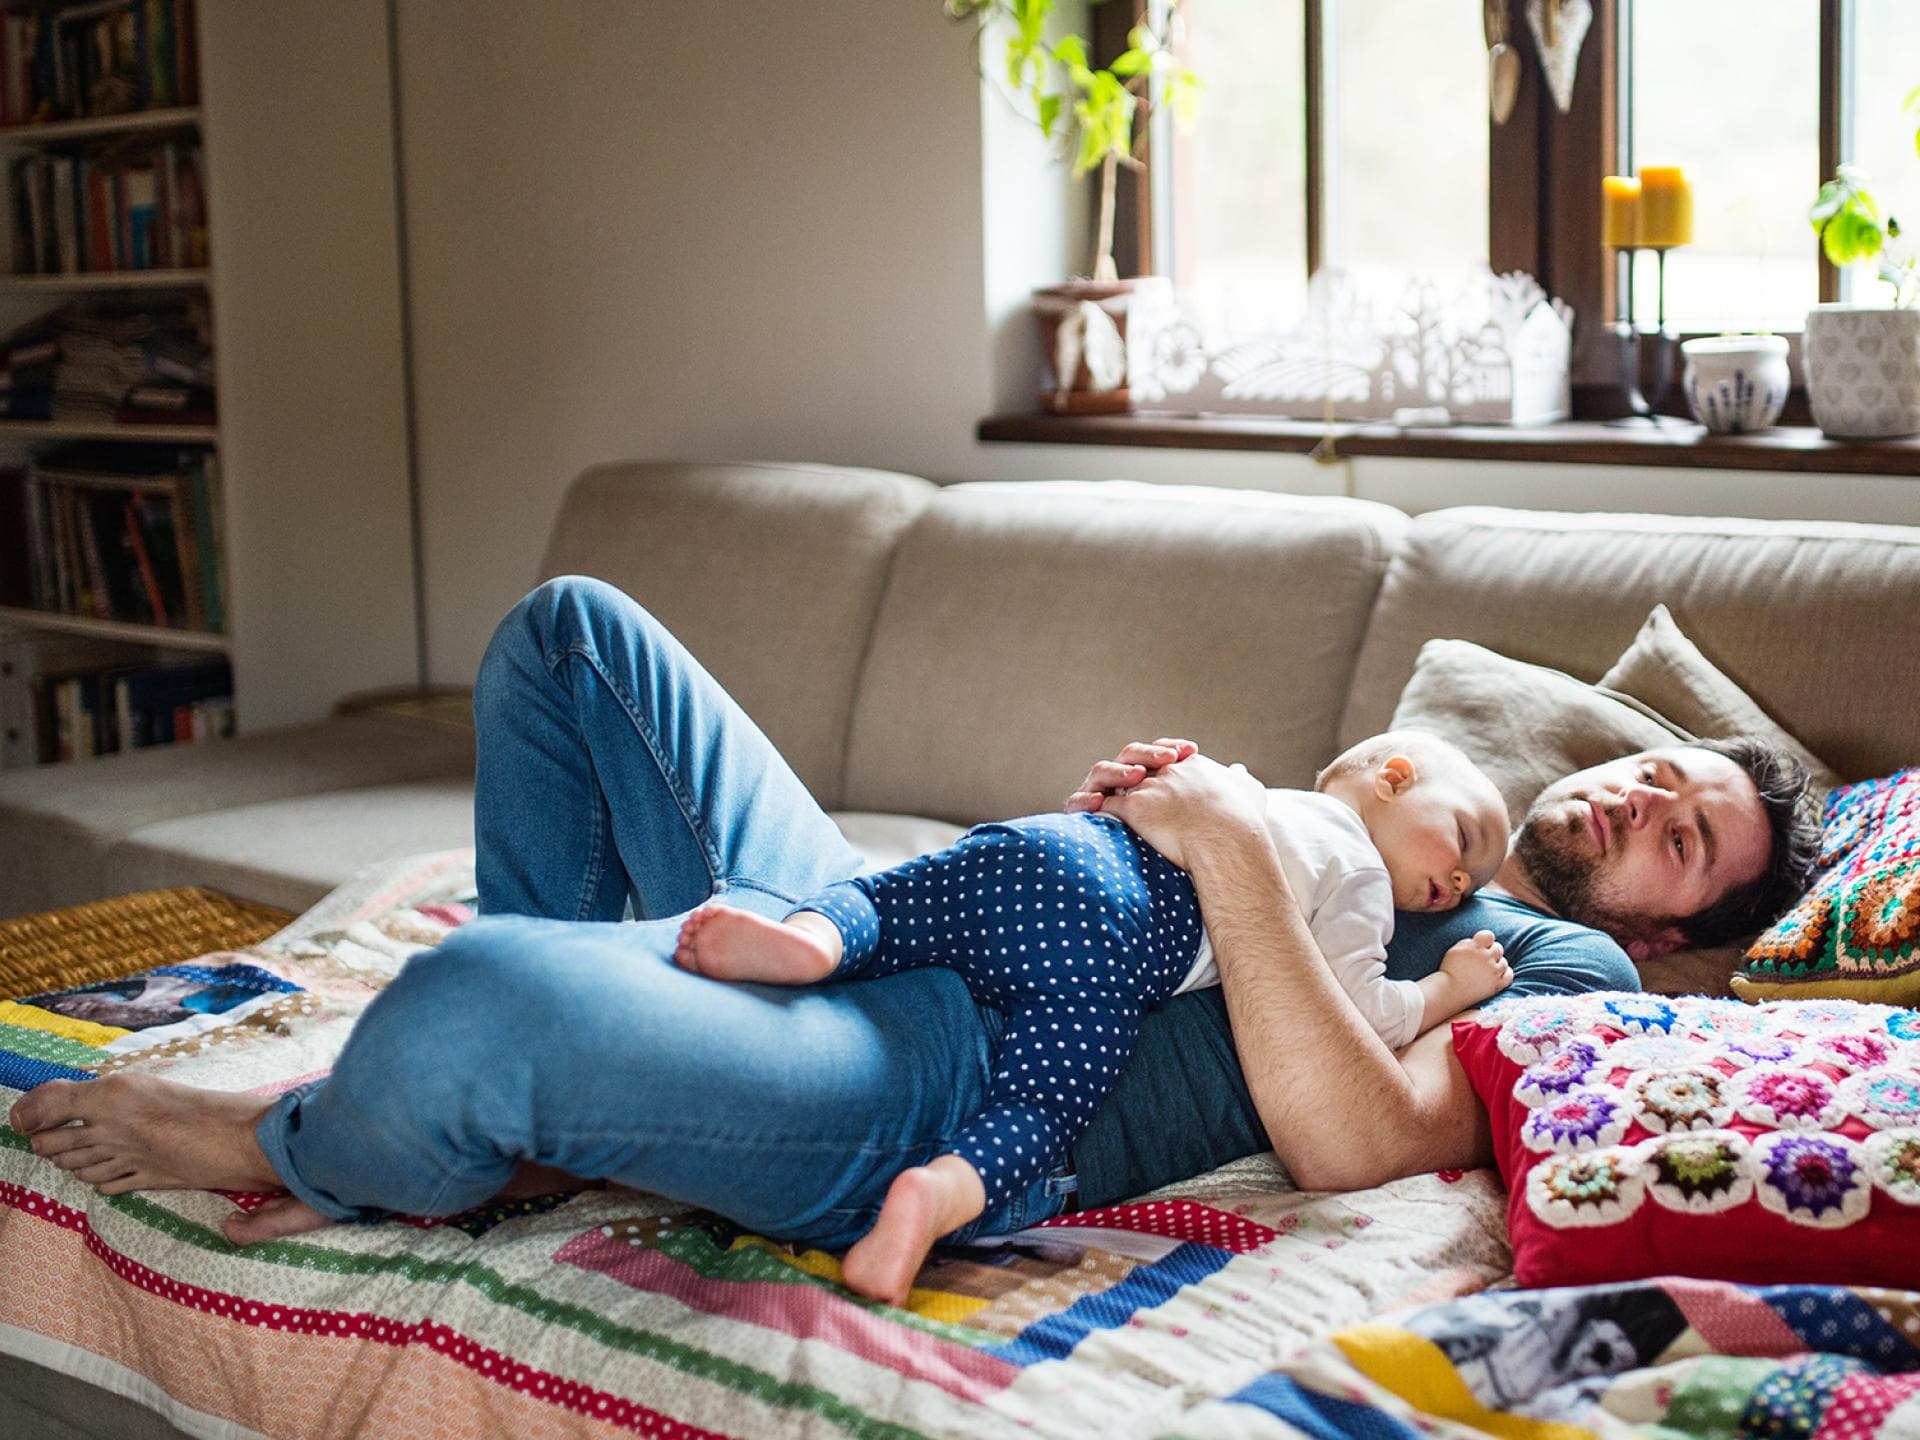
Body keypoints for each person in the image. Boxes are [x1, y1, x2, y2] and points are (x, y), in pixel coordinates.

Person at [7, 577, 1819, 1275]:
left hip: (930, 1074)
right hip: (898, 909)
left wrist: (1226, 858)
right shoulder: (1397, 796)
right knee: (572, 636)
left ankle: (327, 1138)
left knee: (468, 998)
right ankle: (574, 1086)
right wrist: (1129, 822)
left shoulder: (1563, 974)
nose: (1635, 809)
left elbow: (1362, 1142)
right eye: (1661, 784)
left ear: (1680, 937)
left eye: (1685, 845)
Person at [673, 730, 1513, 1302]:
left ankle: (813, 943)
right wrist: (1445, 990)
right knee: (1043, 1102)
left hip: (1056, 850)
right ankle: (936, 1198)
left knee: (896, 898)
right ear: (1392, 779)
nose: (1464, 881)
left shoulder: (1240, 786)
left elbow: (1148, 799)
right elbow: (1362, 1010)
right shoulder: (1360, 876)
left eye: (1477, 877)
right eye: (1464, 839)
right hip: (1114, 945)